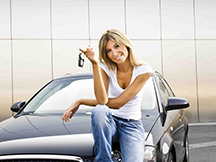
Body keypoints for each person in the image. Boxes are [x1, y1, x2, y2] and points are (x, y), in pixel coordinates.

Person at [62, 29, 153, 162]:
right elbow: (102, 100)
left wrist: (81, 101)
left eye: (116, 46)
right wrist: (95, 64)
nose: (114, 53)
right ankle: (103, 159)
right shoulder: (106, 68)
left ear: (125, 44)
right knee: (100, 110)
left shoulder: (144, 71)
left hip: (132, 126)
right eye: (108, 51)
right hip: (110, 123)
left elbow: (118, 103)